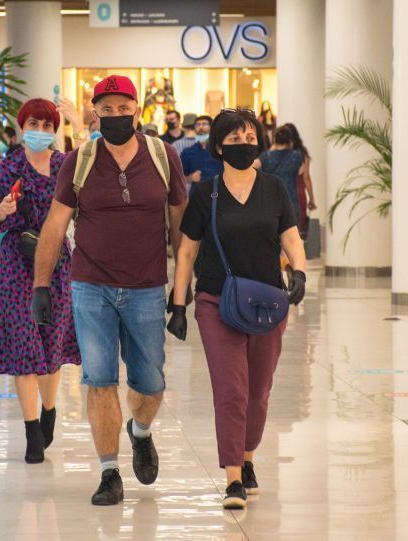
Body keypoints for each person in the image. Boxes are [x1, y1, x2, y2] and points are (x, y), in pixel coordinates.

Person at [31, 75, 188, 506]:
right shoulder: (79, 160)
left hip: (147, 288)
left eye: (124, 108)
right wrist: (41, 285)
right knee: (99, 380)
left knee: (150, 383)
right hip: (91, 287)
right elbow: (55, 225)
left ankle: (140, 432)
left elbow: (180, 225)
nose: (116, 115)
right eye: (107, 109)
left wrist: (182, 292)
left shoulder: (162, 155)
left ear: (137, 111)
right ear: (94, 113)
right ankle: (108, 472)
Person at [166, 108, 307, 510]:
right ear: (219, 147)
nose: (243, 145)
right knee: (231, 389)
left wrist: (298, 273)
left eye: (250, 138)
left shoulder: (274, 189)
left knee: (258, 392)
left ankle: (247, 458)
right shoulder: (205, 192)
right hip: (216, 299)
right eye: (234, 139)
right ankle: (232, 477)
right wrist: (179, 303)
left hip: (266, 301)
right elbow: (187, 251)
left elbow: (292, 240)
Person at [0, 98, 81, 464]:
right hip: (16, 264)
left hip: (56, 263)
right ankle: (31, 431)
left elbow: (94, 176)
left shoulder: (64, 165)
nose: (39, 131)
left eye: (47, 125)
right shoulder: (6, 168)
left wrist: (79, 125)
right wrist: (3, 212)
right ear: (22, 127)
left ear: (55, 130)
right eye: (33, 124)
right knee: (23, 345)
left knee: (50, 345)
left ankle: (49, 409)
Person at [258, 123, 312, 220]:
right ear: (290, 141)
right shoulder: (297, 156)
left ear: (274, 140)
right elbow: (305, 175)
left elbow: (253, 166)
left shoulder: (265, 156)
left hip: (270, 204)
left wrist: (272, 148)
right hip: (291, 203)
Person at [180, 115, 222, 196]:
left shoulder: (220, 151)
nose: (201, 127)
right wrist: (191, 178)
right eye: (198, 125)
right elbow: (181, 178)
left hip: (219, 195)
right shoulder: (188, 152)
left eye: (205, 124)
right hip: (197, 197)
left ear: (212, 128)